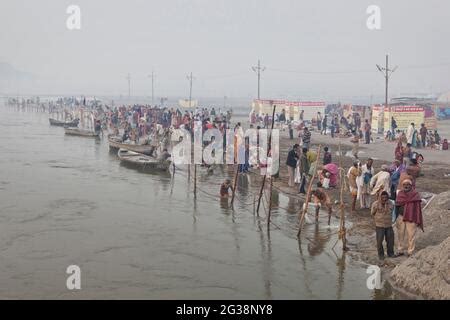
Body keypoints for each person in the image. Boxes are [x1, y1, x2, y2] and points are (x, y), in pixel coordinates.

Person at [395, 179, 424, 256]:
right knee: (400, 234)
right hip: (401, 216)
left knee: (411, 235)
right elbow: (397, 205)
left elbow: (417, 208)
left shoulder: (415, 194)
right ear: (402, 186)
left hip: (411, 217)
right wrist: (395, 217)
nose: (406, 186)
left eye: (408, 184)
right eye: (404, 185)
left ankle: (410, 251)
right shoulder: (400, 194)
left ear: (411, 186)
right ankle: (400, 250)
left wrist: (417, 218)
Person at [371, 191, 395, 260]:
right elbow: (372, 213)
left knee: (390, 240)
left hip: (389, 225)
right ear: (380, 197)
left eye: (386, 197)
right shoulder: (375, 204)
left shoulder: (391, 203)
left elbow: (393, 211)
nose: (384, 198)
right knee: (379, 241)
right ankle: (381, 255)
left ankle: (390, 253)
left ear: (388, 197)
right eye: (383, 197)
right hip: (379, 225)